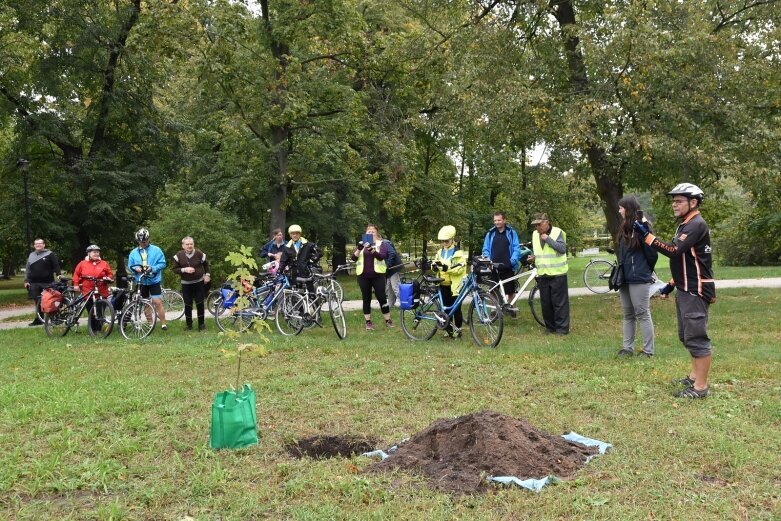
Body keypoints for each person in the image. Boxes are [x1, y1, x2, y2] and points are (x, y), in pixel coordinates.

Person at [634, 183, 715, 399]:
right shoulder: (686, 224)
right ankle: (694, 376)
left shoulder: (695, 224)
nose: (674, 204)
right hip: (685, 286)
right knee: (687, 336)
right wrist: (671, 283)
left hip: (695, 289)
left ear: (693, 202)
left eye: (679, 201)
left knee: (697, 338)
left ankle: (701, 387)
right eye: (673, 201)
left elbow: (673, 250)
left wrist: (647, 237)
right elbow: (685, 259)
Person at [615, 196, 658, 358]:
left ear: (628, 208)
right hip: (625, 276)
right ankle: (627, 348)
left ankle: (648, 351)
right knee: (628, 314)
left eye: (621, 208)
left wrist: (645, 271)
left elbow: (652, 253)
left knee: (642, 313)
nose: (619, 211)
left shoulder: (643, 226)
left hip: (639, 276)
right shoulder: (624, 227)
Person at [528, 213, 569, 335]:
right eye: (535, 225)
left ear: (547, 222)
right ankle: (550, 328)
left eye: (539, 224)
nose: (537, 228)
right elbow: (540, 252)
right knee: (546, 303)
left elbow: (562, 249)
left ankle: (562, 329)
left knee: (559, 304)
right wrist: (533, 257)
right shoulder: (535, 235)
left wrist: (548, 239)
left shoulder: (557, 232)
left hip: (558, 273)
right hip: (543, 274)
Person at [481, 211, 526, 316]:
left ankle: (512, 309)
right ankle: (494, 310)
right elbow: (485, 249)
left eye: (499, 220)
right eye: (495, 220)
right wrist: (488, 260)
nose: (497, 222)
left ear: (504, 220)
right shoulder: (490, 233)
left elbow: (516, 248)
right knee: (493, 290)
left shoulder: (511, 233)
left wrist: (512, 261)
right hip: (493, 266)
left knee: (510, 290)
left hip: (507, 266)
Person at [351, 224, 393, 330]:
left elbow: (381, 256)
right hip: (363, 276)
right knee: (366, 299)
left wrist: (371, 249)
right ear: (365, 233)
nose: (370, 233)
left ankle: (388, 320)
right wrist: (359, 249)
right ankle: (368, 322)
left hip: (377, 275)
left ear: (376, 233)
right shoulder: (361, 245)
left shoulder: (380, 243)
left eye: (372, 231)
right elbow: (353, 258)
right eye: (368, 231)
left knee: (382, 298)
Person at [128, 228, 169, 331]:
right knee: (145, 303)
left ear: (149, 239)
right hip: (141, 281)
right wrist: (135, 269)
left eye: (145, 242)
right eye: (140, 242)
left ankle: (163, 323)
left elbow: (163, 263)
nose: (143, 244)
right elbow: (130, 266)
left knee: (157, 301)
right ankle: (151, 324)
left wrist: (153, 268)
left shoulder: (156, 250)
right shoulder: (133, 253)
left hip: (154, 280)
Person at [431, 225, 467, 338]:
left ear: (452, 240)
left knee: (456, 309)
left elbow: (460, 268)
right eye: (442, 241)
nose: (444, 243)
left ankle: (458, 330)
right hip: (442, 284)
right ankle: (449, 330)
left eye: (446, 241)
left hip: (455, 285)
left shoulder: (458, 253)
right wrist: (434, 267)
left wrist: (448, 269)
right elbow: (435, 263)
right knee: (445, 308)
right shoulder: (440, 252)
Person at [172, 236, 211, 331]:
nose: (189, 246)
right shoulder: (178, 255)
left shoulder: (198, 253)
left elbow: (206, 264)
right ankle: (189, 326)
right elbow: (174, 269)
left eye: (191, 244)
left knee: (200, 304)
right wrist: (184, 269)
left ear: (193, 244)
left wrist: (207, 275)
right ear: (183, 246)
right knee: (188, 305)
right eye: (187, 244)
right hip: (186, 284)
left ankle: (201, 325)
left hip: (199, 282)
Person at [72, 244, 113, 332]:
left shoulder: (104, 263)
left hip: (101, 290)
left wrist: (108, 278)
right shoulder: (82, 263)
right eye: (94, 252)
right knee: (91, 310)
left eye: (97, 252)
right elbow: (76, 274)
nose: (96, 254)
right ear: (89, 254)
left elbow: (110, 273)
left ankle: (98, 329)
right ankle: (92, 329)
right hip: (88, 291)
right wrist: (76, 284)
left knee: (100, 310)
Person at [23, 238, 61, 326]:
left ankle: (53, 318)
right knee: (37, 301)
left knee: (49, 301)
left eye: (40, 243)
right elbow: (28, 268)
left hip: (47, 282)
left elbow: (56, 265)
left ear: (44, 245)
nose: (38, 245)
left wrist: (58, 275)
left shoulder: (50, 254)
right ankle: (38, 319)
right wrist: (26, 280)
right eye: (36, 244)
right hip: (34, 282)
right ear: (34, 245)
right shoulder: (31, 255)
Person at [278, 224, 321, 294]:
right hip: (294, 275)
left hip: (306, 274)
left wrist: (312, 260)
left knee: (311, 295)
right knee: (296, 297)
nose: (295, 235)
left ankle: (314, 304)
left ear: (300, 234)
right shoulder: (287, 247)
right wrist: (278, 272)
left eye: (297, 233)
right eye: (293, 234)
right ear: (290, 235)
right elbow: (283, 261)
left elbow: (319, 252)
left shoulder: (307, 244)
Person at [381, 232, 403, 309]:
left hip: (393, 267)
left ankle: (404, 303)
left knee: (395, 287)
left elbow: (392, 253)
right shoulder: (378, 244)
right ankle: (390, 304)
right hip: (389, 269)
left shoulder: (385, 242)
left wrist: (387, 265)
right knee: (390, 288)